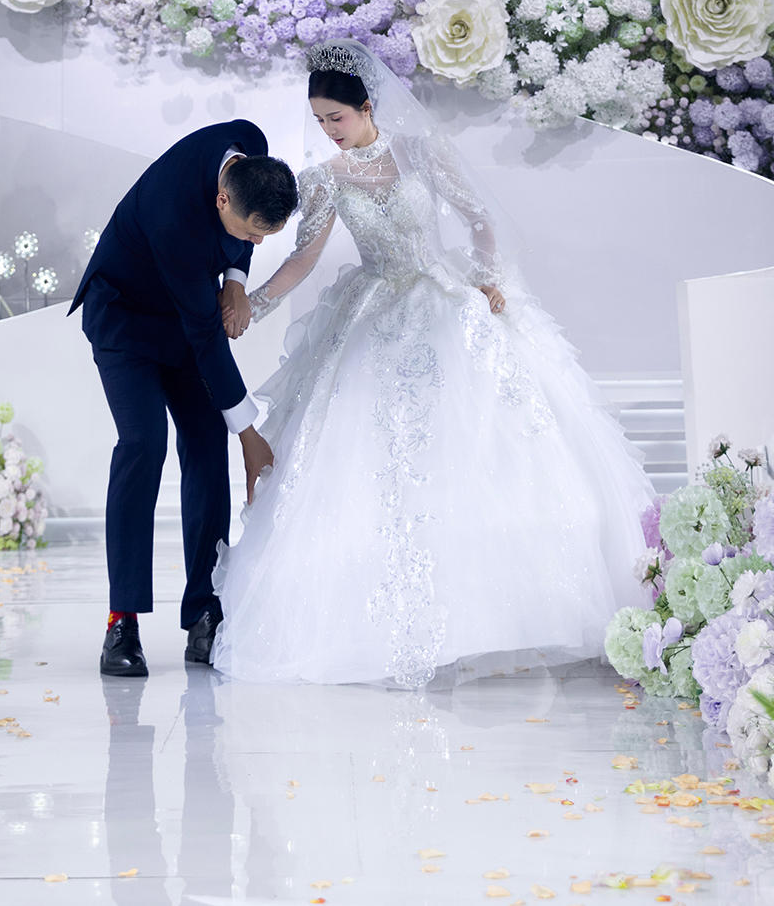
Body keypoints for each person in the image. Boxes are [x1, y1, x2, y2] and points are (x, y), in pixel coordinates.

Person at [212, 41, 654, 687]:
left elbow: (479, 219)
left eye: (337, 117)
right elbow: (303, 259)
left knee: (483, 436)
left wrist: (488, 277)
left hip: (445, 297)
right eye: (320, 121)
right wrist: (252, 304)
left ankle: (510, 613)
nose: (329, 129)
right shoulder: (326, 179)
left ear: (367, 107)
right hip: (373, 309)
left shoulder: (421, 153)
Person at [70, 121, 299, 678]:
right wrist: (250, 436)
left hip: (183, 316)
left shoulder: (249, 146)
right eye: (252, 233)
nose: (256, 244)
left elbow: (234, 252)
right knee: (144, 443)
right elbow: (206, 336)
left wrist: (236, 278)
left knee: (205, 441)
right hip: (126, 320)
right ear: (222, 200)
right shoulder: (175, 220)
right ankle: (121, 621)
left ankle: (204, 609)